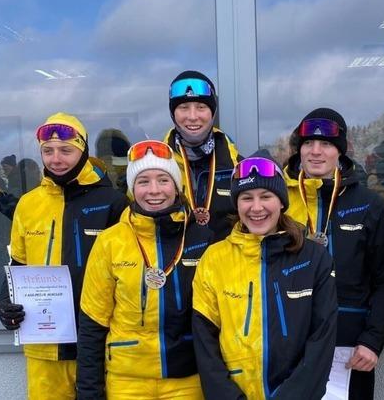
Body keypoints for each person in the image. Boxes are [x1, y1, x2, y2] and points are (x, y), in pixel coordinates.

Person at [0, 112, 128, 400]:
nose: (56, 159)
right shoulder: (28, 205)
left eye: (66, 150)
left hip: (99, 342)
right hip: (45, 346)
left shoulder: (112, 202)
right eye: (48, 151)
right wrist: (5, 303)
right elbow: (17, 265)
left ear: (83, 150)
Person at [192, 151, 337, 399]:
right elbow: (205, 344)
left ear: (281, 201)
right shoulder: (214, 259)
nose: (256, 207)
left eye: (266, 196)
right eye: (247, 197)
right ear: (236, 204)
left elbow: (322, 338)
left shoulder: (313, 257)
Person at [77, 140, 213, 400]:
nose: (154, 190)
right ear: (131, 189)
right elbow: (92, 325)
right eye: (143, 181)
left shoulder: (201, 239)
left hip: (188, 380)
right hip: (127, 381)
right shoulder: (110, 242)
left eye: (163, 179)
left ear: (177, 185)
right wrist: (89, 393)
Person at [283, 108, 384, 400]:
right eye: (308, 143)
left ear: (341, 151)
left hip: (350, 350)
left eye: (326, 144)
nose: (316, 151)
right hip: (290, 344)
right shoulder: (278, 201)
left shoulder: (369, 204)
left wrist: (373, 341)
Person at [164, 70, 242, 241]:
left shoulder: (238, 166)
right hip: (174, 265)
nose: (192, 117)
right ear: (173, 114)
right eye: (183, 108)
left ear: (212, 113)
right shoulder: (157, 164)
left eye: (201, 107)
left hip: (226, 264)